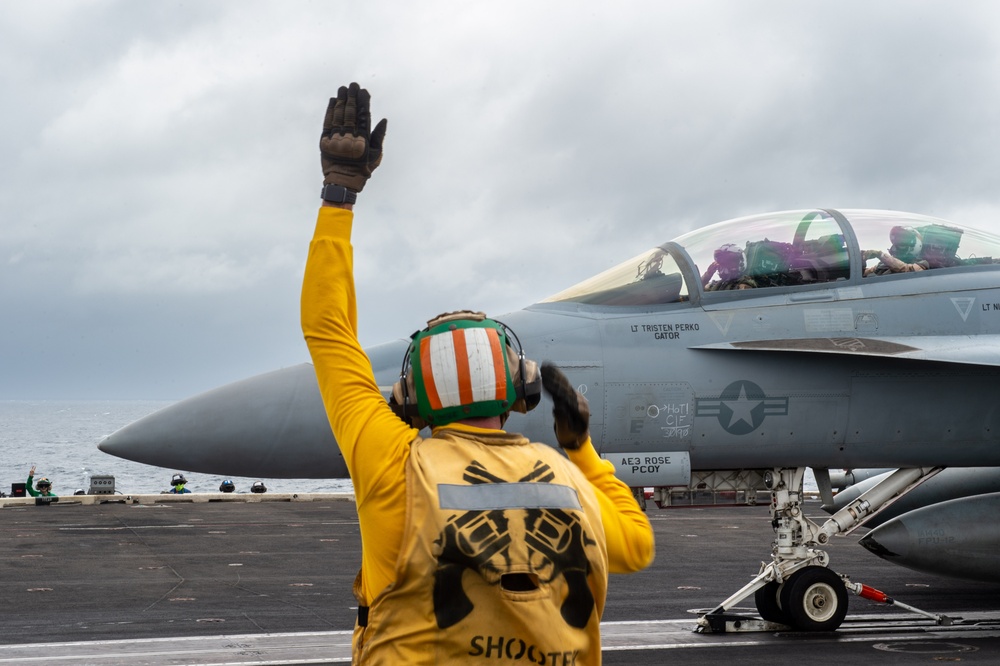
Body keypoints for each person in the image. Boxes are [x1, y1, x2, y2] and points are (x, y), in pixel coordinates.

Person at [301, 83, 654, 664]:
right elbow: (636, 546)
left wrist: (339, 195)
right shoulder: (568, 482)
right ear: (522, 386)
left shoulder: (394, 463)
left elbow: (328, 330)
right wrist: (583, 452)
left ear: (410, 398)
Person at [864, 226, 929, 276]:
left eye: (903, 242)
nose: (898, 246)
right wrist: (861, 261)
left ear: (916, 245)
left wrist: (881, 255)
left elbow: (908, 270)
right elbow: (865, 274)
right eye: (898, 242)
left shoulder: (922, 264)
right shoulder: (883, 264)